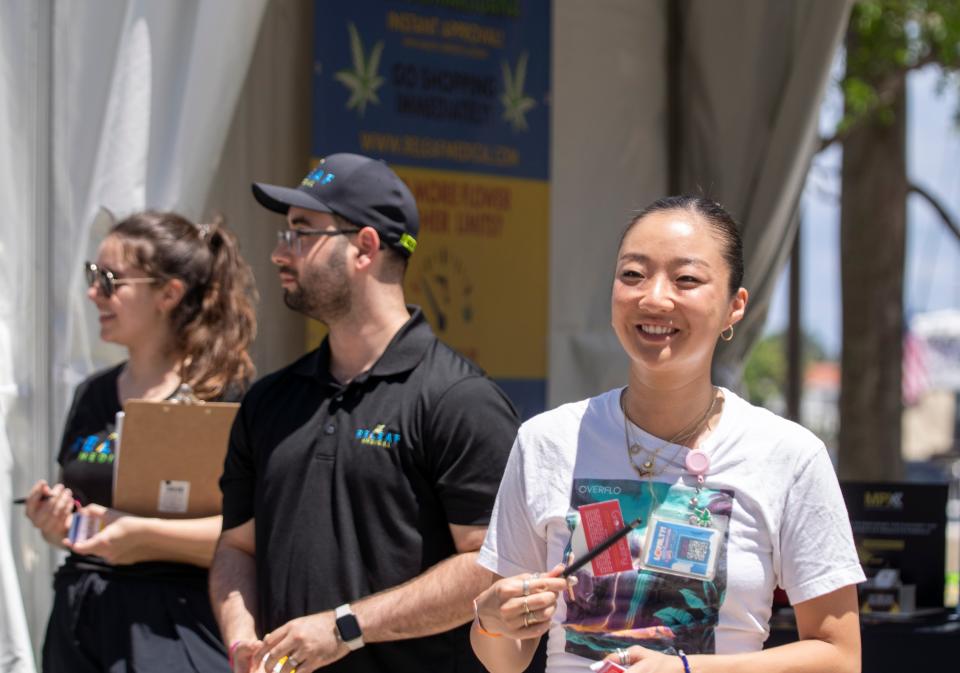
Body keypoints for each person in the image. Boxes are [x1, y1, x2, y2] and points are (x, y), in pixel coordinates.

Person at [472, 196, 865, 673]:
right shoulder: (546, 441)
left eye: (687, 280)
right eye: (633, 275)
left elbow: (839, 658)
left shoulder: (789, 456)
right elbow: (504, 661)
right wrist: (491, 620)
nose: (654, 298)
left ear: (734, 307)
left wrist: (683, 669)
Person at [209, 152, 519, 673]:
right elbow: (237, 548)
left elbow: (492, 567)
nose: (280, 254)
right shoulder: (269, 400)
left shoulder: (458, 399)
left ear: (365, 247)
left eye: (302, 233)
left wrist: (344, 628)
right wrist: (242, 641)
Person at [24, 211, 258, 673]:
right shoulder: (92, 393)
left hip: (172, 626)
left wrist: (141, 533)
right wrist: (56, 524)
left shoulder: (221, 395)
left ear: (168, 294)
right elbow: (80, 516)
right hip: (81, 620)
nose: (94, 293)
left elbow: (252, 535)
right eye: (93, 276)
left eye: (110, 280)